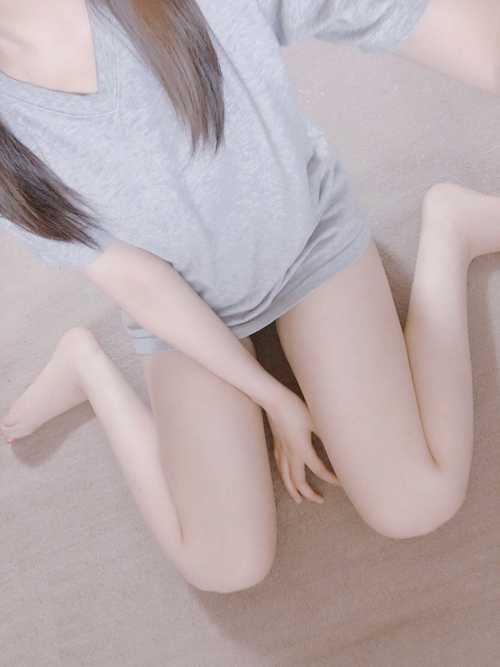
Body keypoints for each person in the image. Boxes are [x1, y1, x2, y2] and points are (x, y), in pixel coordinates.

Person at [1, 0, 499, 593]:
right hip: (186, 309)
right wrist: (270, 395)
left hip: (307, 243)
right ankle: (86, 366)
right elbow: (139, 282)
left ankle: (452, 229)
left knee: (418, 501)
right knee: (225, 566)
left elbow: (392, 10)